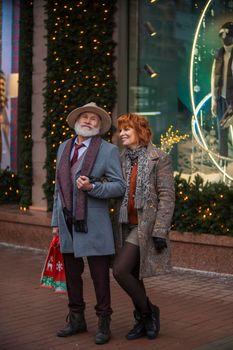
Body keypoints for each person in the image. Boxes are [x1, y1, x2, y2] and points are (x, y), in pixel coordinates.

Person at [51, 102, 125, 345]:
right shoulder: (63, 147)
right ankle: (76, 319)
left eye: (94, 119)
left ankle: (104, 323)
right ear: (76, 121)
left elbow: (119, 186)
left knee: (99, 277)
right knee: (72, 275)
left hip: (94, 222)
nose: (89, 121)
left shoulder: (108, 150)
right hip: (67, 221)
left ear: (100, 126)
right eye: (85, 116)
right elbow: (57, 190)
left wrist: (92, 187)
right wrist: (55, 222)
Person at [112, 113, 175, 341]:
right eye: (120, 130)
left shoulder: (160, 158)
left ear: (140, 131)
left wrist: (160, 230)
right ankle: (144, 316)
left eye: (127, 129)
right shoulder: (120, 158)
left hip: (145, 227)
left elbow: (167, 196)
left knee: (119, 270)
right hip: (124, 223)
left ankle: (148, 312)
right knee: (131, 273)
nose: (122, 134)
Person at [211, 21, 233, 158]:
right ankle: (223, 165)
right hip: (221, 99)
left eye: (226, 33)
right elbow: (213, 78)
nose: (224, 37)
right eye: (222, 34)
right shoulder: (219, 55)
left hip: (232, 101)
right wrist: (214, 100)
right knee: (222, 134)